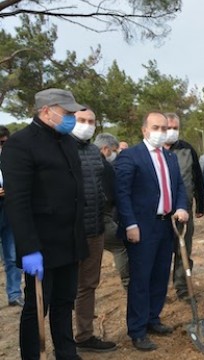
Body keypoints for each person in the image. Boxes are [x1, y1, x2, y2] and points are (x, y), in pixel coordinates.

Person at [2, 88, 88, 359]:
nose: (72, 118)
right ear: (46, 111)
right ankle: (32, 355)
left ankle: (66, 352)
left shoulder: (68, 141)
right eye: (67, 113)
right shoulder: (20, 144)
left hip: (69, 240)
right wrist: (28, 249)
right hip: (41, 244)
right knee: (37, 306)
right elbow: (18, 202)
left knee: (65, 302)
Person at [114, 111, 189, 351]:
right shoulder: (130, 156)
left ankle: (152, 318)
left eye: (164, 128)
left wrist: (181, 207)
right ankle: (137, 329)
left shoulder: (170, 158)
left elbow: (178, 186)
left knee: (159, 276)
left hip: (166, 225)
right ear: (144, 130)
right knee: (141, 279)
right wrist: (130, 224)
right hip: (142, 227)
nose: (161, 132)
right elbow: (122, 194)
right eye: (155, 127)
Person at [70, 109, 117, 352]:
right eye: (81, 120)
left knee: (88, 285)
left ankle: (84, 336)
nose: (86, 125)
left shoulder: (93, 152)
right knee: (64, 288)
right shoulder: (60, 149)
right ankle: (62, 339)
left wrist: (104, 215)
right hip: (67, 233)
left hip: (94, 230)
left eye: (91, 121)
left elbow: (103, 189)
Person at [163, 113, 204, 302]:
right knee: (161, 252)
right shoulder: (153, 150)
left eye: (175, 128)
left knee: (183, 250)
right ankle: (159, 290)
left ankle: (182, 288)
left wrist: (201, 204)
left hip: (184, 209)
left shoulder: (187, 149)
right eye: (168, 127)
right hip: (160, 211)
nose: (171, 131)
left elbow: (197, 177)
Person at [95, 133, 130, 289]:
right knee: (120, 246)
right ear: (106, 149)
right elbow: (113, 196)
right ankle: (128, 282)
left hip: (85, 218)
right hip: (102, 217)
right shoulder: (104, 166)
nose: (115, 154)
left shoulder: (83, 159)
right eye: (114, 150)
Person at [0, 126, 23, 307]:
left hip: (9, 209)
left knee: (13, 254)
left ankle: (14, 293)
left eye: (4, 142)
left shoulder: (14, 158)